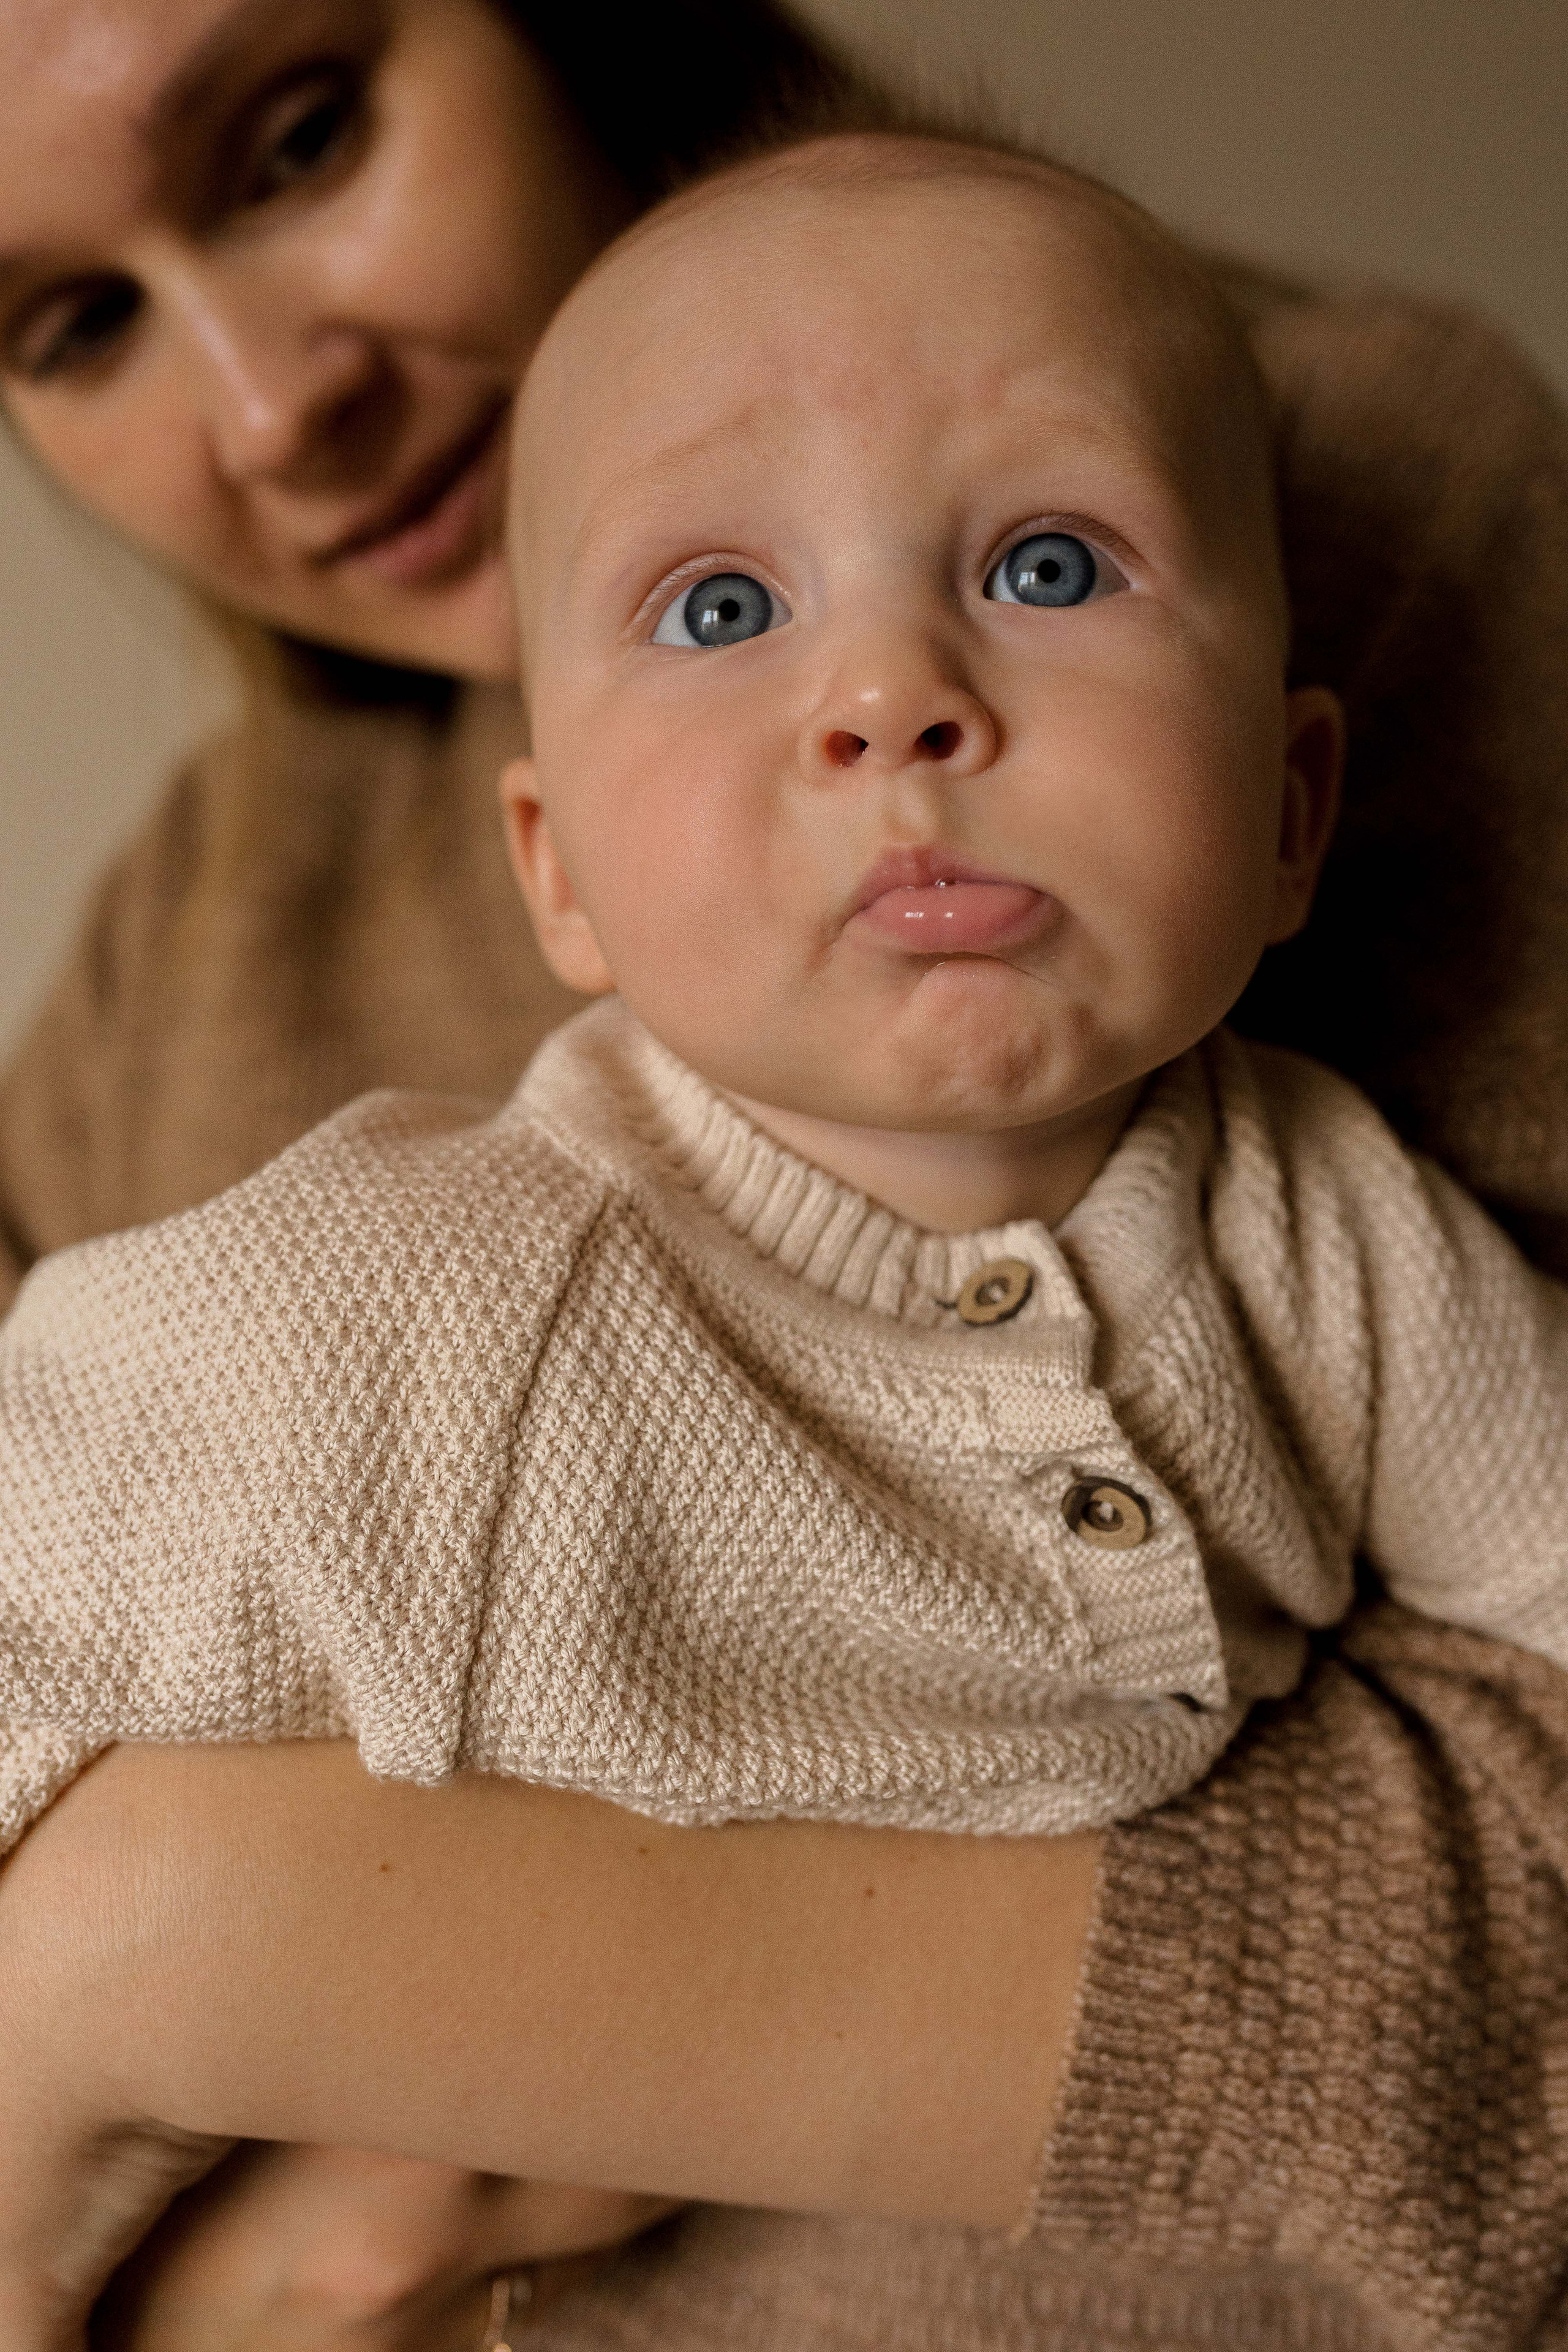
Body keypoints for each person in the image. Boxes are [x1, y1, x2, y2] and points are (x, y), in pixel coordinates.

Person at [0, 0, 1566, 2343]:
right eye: (74, 320)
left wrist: (193, 1959)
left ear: (1289, 808)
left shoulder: (1369, 521)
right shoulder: (303, 1140)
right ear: (562, 879)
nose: (268, 404)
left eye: (302, 134)